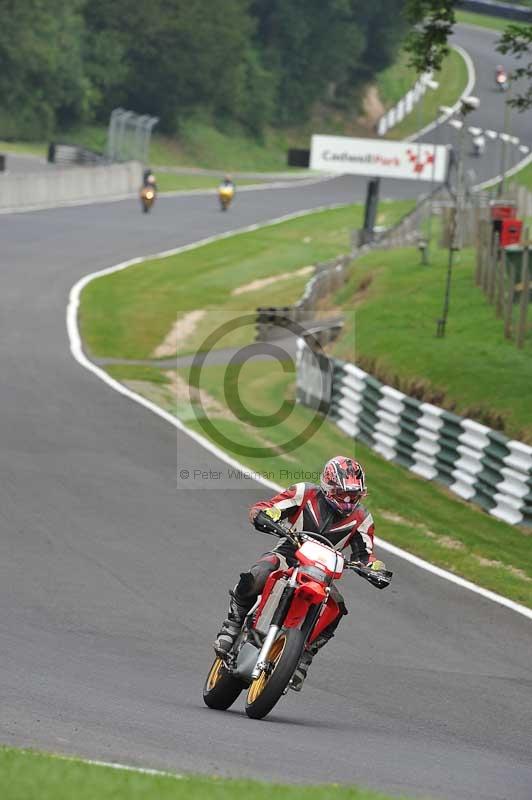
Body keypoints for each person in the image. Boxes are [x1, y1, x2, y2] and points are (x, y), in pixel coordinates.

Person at [213, 456, 388, 691]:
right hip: (288, 556)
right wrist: (267, 515)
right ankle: (232, 623)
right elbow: (269, 507)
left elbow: (366, 555)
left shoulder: (362, 518)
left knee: (336, 608)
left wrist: (375, 569)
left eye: (353, 496)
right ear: (327, 487)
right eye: (341, 494)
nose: (347, 501)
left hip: (322, 573)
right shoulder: (304, 493)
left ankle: (303, 658)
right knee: (260, 573)